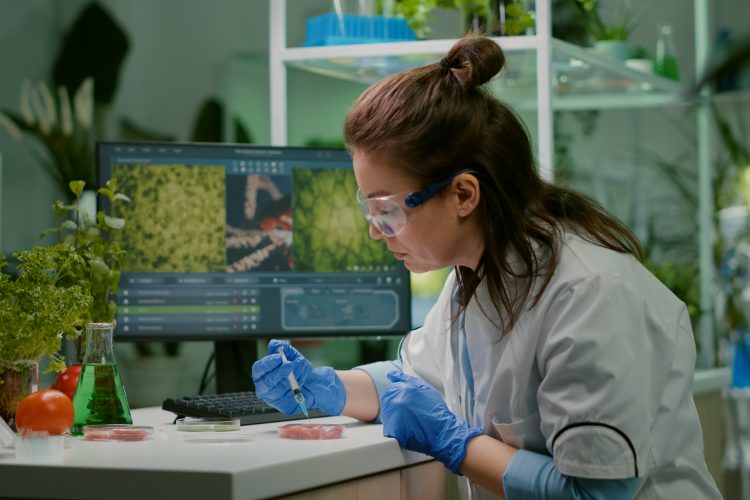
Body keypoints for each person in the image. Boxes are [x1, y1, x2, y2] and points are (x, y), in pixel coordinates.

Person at [252, 34, 722, 499]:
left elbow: (595, 494)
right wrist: (323, 387)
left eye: (387, 210)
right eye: (369, 210)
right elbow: (411, 380)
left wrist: (455, 443)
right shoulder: (474, 278)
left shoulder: (589, 294)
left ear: (463, 194)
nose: (376, 231)